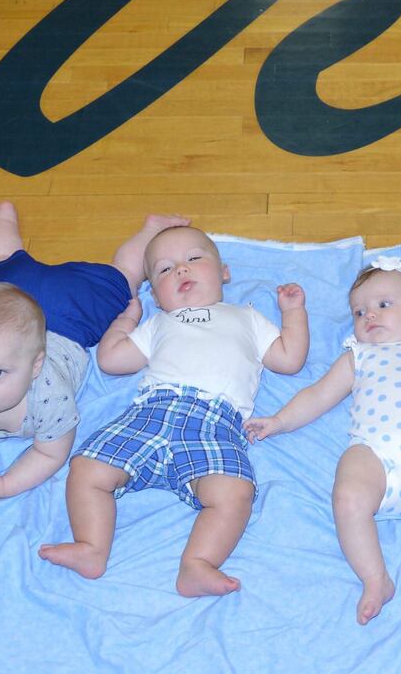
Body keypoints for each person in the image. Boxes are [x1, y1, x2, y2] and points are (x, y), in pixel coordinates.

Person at [38, 226, 309, 595]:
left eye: (194, 259)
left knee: (235, 494)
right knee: (86, 468)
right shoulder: (160, 322)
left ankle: (197, 563)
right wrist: (127, 321)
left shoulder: (246, 318)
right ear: (153, 292)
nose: (181, 270)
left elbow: (290, 359)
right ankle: (91, 547)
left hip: (215, 422)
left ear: (224, 272)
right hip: (151, 412)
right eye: (165, 269)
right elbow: (112, 360)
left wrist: (293, 314)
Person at [246, 257, 401, 624]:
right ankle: (375, 578)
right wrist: (280, 421)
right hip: (374, 456)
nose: (370, 316)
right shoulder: (358, 357)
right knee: (348, 497)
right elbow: (317, 396)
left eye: (383, 305)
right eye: (359, 312)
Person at [0, 202, 186, 512]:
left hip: (73, 310)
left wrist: (7, 485)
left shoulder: (49, 398)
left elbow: (50, 454)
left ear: (37, 365)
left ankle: (152, 230)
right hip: (11, 294)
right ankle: (4, 214)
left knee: (125, 276)